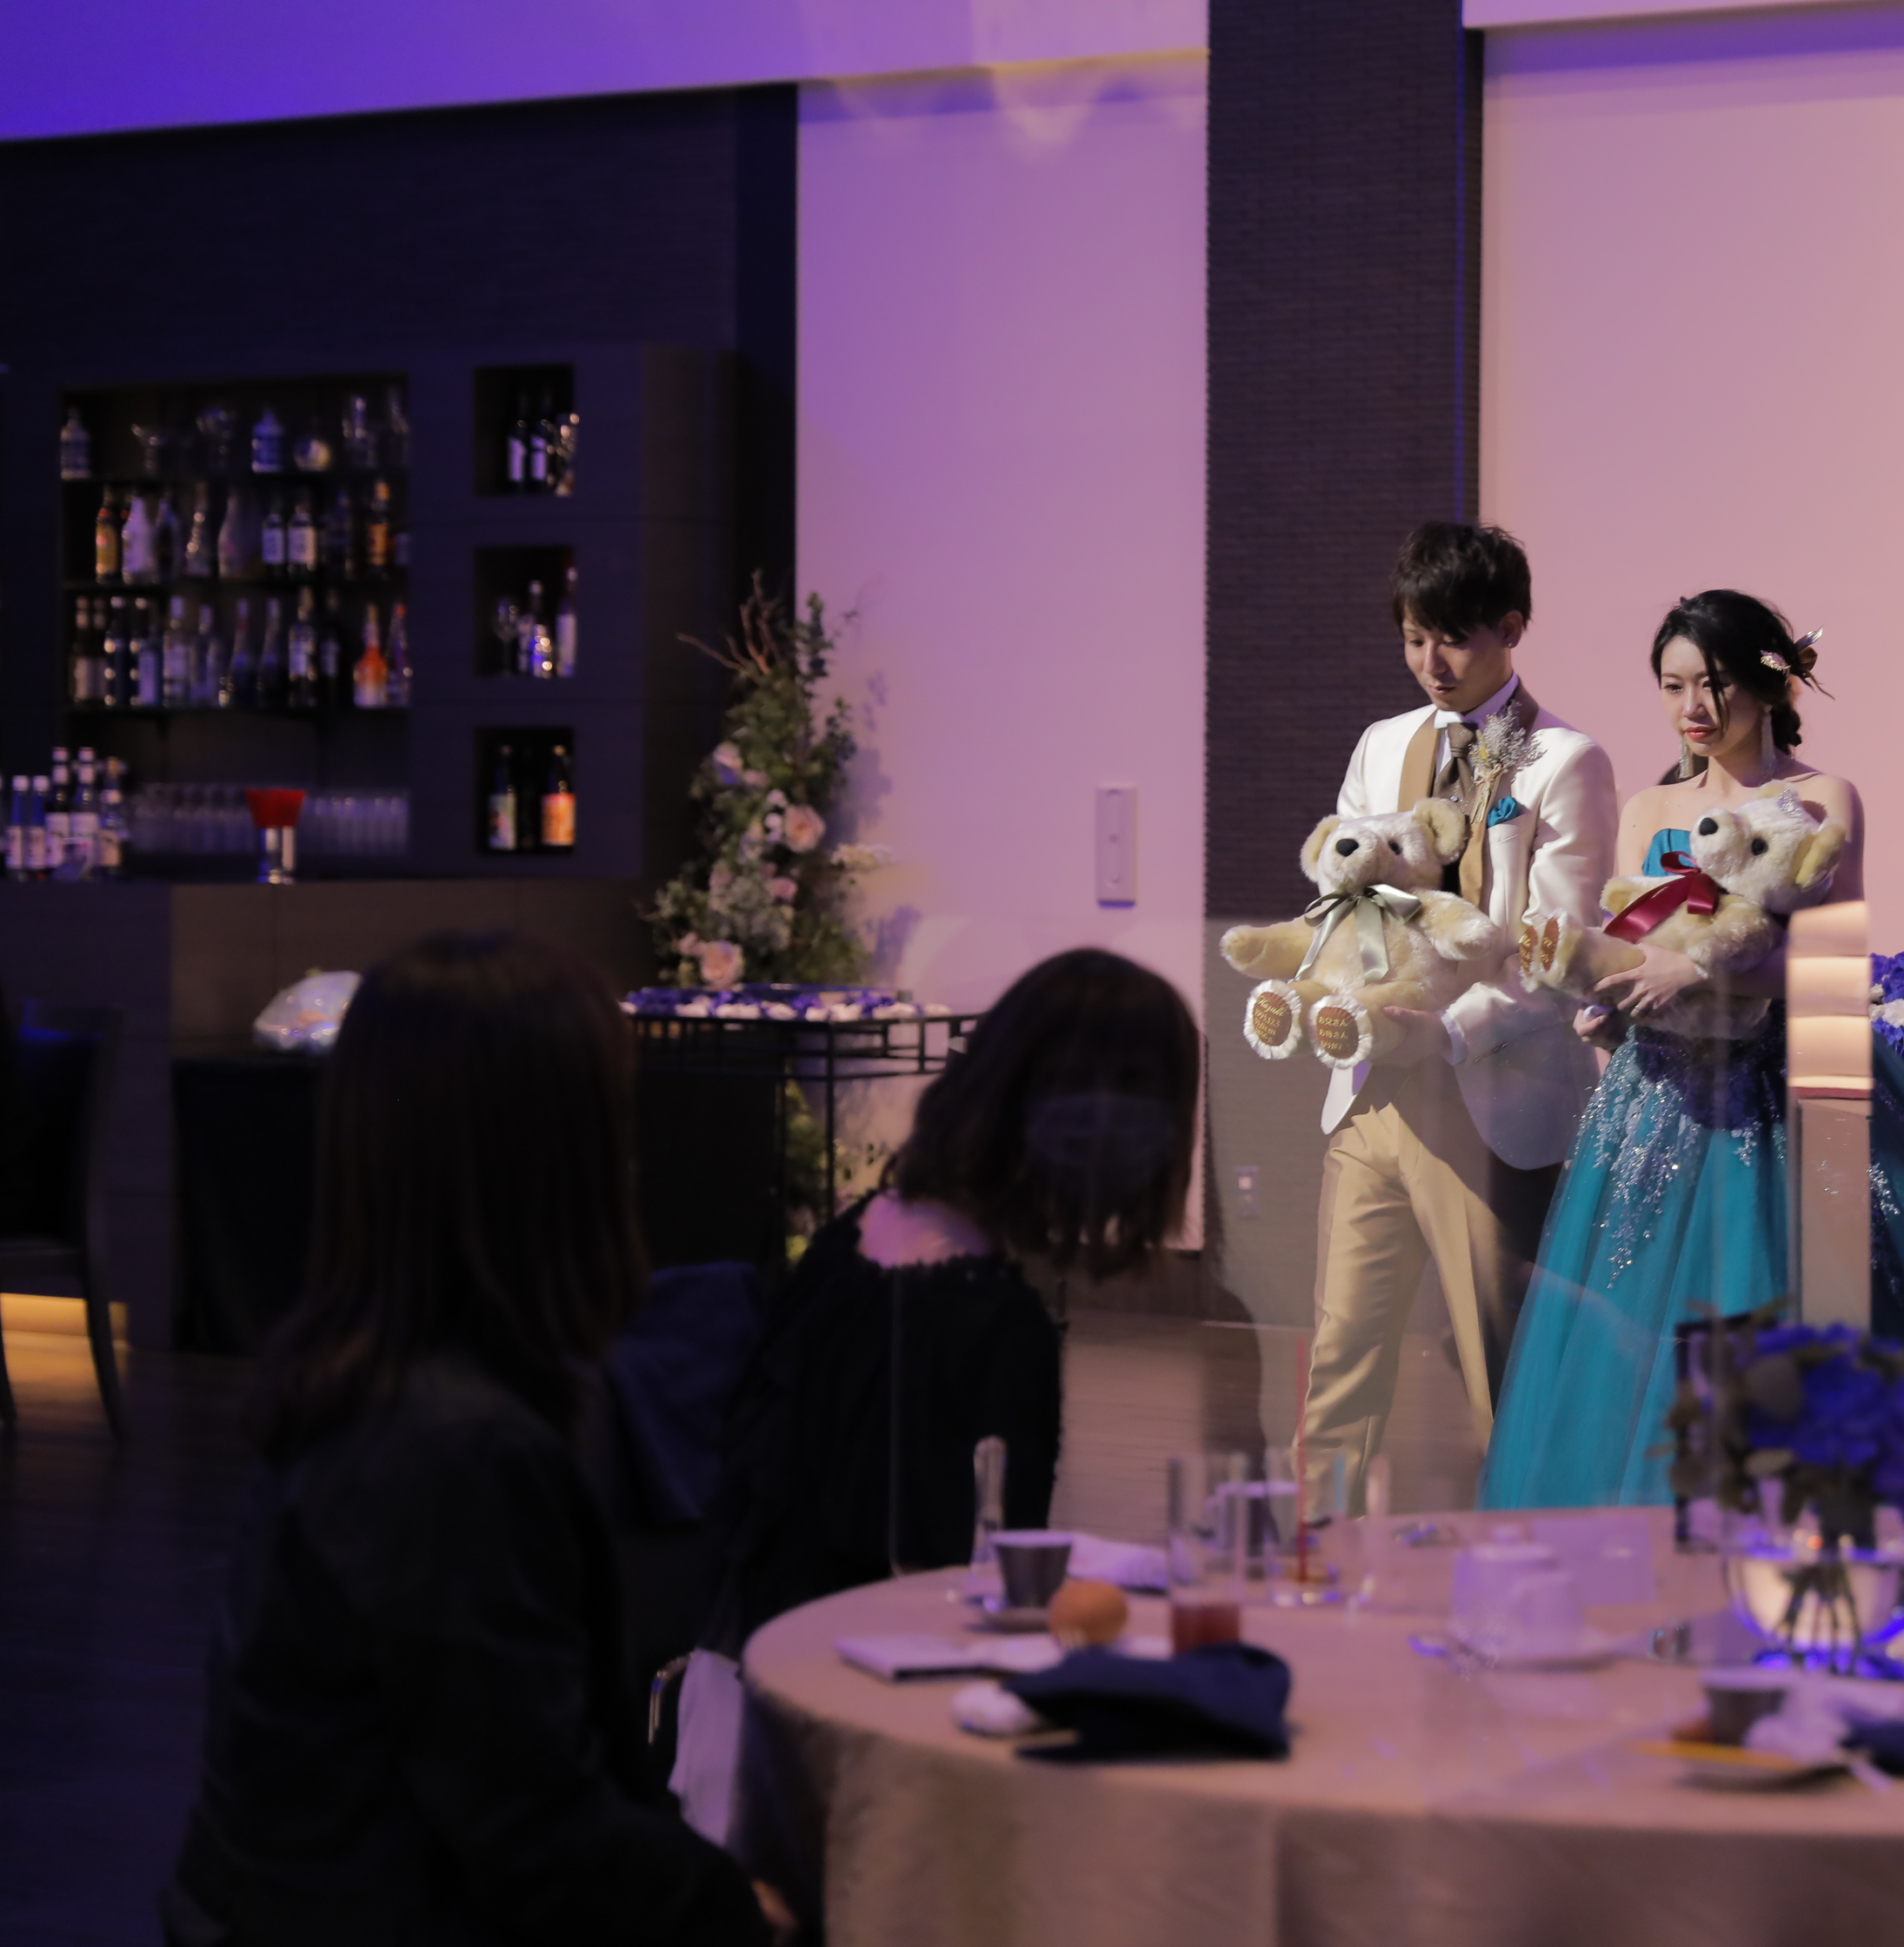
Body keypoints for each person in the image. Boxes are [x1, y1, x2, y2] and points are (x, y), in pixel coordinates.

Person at [164, 932, 777, 1946]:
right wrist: (735, 1906)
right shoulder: (455, 1448)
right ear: (558, 1162)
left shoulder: (359, 1377)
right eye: (615, 1123)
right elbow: (534, 1835)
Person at [1481, 589, 1861, 1507]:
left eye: (1714, 683)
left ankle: (1766, 1523)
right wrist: (1607, 1008)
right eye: (1673, 685)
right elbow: (1632, 941)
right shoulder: (1652, 807)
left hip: (1771, 1096)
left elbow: (1835, 964)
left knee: (1756, 1313)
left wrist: (1699, 971)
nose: (1693, 706)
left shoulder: (1821, 800)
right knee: (1637, 1329)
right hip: (1652, 1095)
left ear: (1769, 683)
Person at [705, 947, 1199, 1645]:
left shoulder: (844, 1244)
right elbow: (980, 1587)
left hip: (746, 1658)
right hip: (847, 1684)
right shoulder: (997, 1325)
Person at [1295, 521, 1617, 1509]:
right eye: (1414, 638)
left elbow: (1556, 952)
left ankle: (1527, 1553)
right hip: (1373, 1095)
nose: (1431, 663)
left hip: (1492, 1098)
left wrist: (1447, 1028)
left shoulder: (1566, 761)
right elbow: (1341, 892)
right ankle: (1317, 1546)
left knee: (1496, 1362)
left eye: (1454, 640)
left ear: (1511, 629)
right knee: (1341, 1352)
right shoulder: (1383, 743)